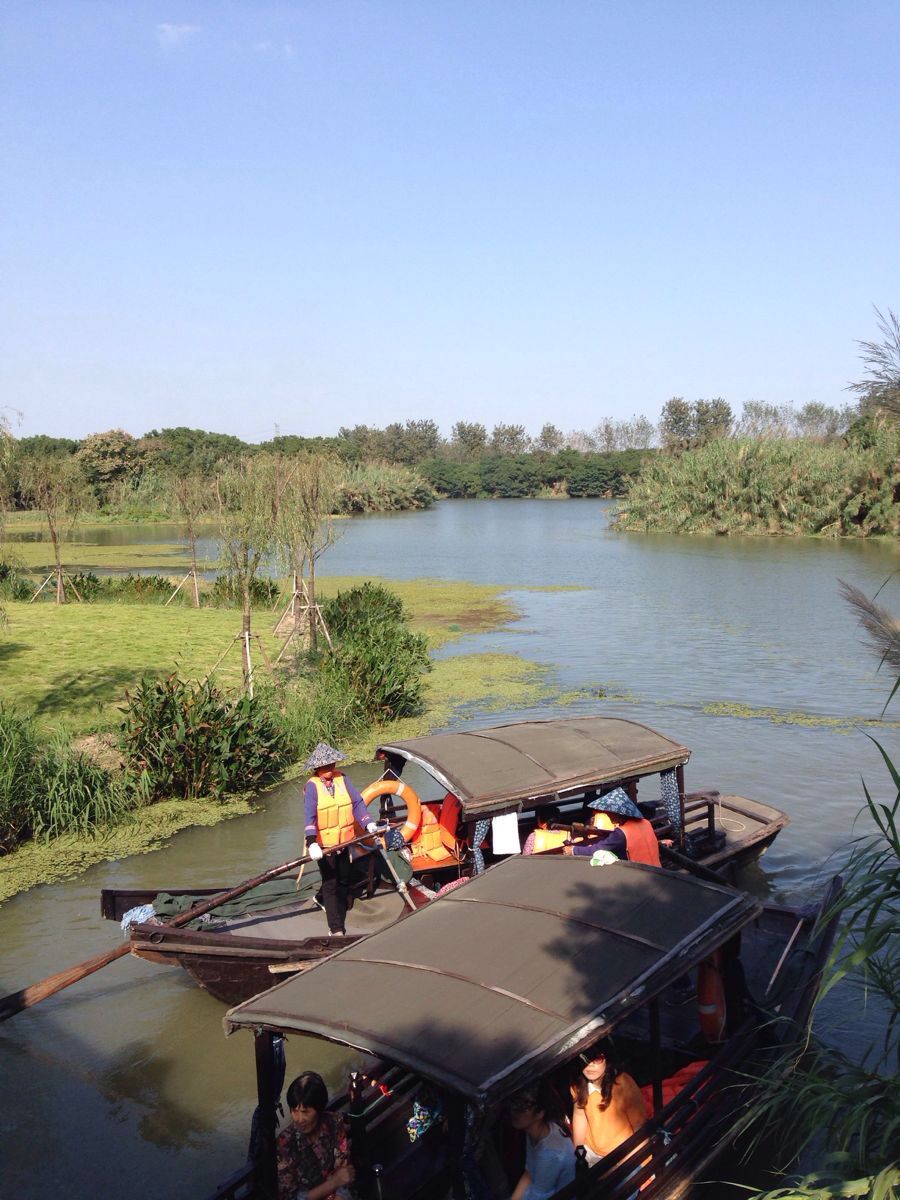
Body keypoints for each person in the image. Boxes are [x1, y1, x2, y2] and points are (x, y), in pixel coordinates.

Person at [303, 742, 379, 935]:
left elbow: (356, 803)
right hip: (324, 844)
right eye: (326, 766)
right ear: (317, 767)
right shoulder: (312, 787)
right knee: (330, 883)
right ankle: (335, 928)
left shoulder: (343, 779)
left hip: (345, 841)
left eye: (333, 764)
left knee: (344, 878)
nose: (331, 768)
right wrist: (312, 842)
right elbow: (309, 816)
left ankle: (323, 899)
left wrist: (368, 822)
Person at [277, 1072, 355, 1200]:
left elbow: (345, 1172)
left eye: (305, 1112)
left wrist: (339, 1193)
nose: (299, 1119)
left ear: (319, 1109)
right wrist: (333, 1183)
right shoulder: (284, 1145)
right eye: (294, 1111)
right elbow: (290, 1197)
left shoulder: (334, 1122)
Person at [569, 1042, 647, 1166]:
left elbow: (639, 1126)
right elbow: (579, 1116)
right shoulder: (578, 1085)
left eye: (597, 1058)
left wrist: (636, 1160)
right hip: (591, 1151)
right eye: (583, 1059)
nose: (589, 1065)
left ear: (607, 1058)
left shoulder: (623, 1083)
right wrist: (578, 1150)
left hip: (623, 1153)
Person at [506, 1083, 575, 1200]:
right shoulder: (534, 1131)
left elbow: (539, 1196)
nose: (514, 1110)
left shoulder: (550, 1154)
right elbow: (529, 1173)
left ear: (540, 1113)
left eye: (524, 1105)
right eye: (514, 1101)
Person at [563, 788, 661, 867]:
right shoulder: (646, 822)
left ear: (618, 813)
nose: (608, 815)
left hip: (640, 872)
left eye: (609, 812)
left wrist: (573, 850)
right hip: (657, 868)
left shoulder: (621, 833)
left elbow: (598, 849)